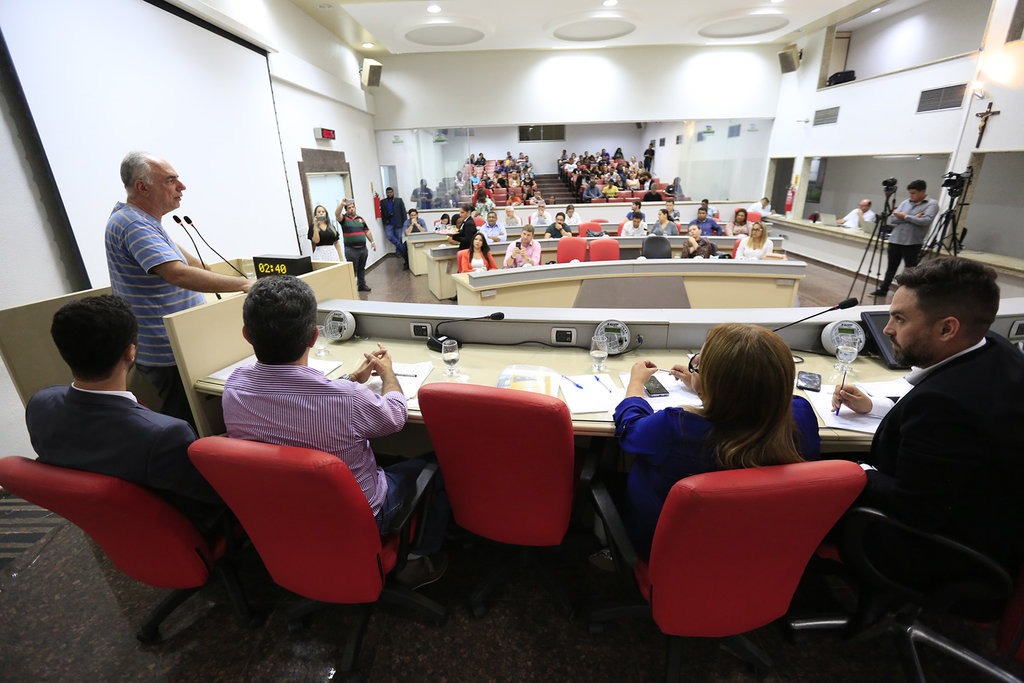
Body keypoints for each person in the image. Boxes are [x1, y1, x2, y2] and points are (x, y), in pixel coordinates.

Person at [223, 275, 449, 588]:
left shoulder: (234, 386)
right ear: (314, 336)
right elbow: (395, 417)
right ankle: (416, 559)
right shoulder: (345, 399)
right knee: (439, 467)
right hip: (359, 516)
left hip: (279, 510)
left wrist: (348, 379)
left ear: (247, 336)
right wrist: (388, 378)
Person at [833, 257, 1024, 581]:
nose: (888, 329)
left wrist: (853, 470)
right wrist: (875, 405)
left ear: (947, 328)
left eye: (899, 319)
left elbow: (913, 508)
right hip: (995, 525)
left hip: (942, 551)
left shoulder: (945, 405)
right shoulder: (994, 347)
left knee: (807, 491)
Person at [616, 323, 820, 558]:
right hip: (764, 553)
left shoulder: (676, 426)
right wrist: (704, 387)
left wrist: (636, 384)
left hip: (673, 553)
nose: (695, 367)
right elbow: (759, 398)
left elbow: (629, 428)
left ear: (714, 382)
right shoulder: (801, 415)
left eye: (700, 366)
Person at [25, 295, 224, 532]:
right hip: (173, 531)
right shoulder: (164, 434)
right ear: (130, 352)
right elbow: (213, 496)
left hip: (101, 526)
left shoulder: (40, 404)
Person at [105, 151, 252, 423]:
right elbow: (178, 274)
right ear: (142, 187)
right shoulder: (134, 224)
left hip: (177, 345)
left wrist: (216, 273)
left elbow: (190, 264)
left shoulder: (145, 222)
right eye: (171, 180)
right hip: (167, 350)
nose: (181, 187)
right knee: (188, 421)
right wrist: (246, 285)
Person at [871, 180, 939, 297]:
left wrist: (905, 216)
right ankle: (883, 290)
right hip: (895, 240)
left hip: (912, 243)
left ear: (923, 191)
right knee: (891, 268)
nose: (911, 196)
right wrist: (913, 217)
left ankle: (907, 294)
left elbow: (925, 221)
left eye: (914, 193)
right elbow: (893, 219)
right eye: (910, 193)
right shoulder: (905, 202)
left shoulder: (931, 204)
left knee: (911, 271)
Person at [337, 201, 377, 292]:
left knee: (361, 268)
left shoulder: (360, 219)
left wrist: (372, 242)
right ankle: (350, 289)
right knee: (352, 270)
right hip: (351, 250)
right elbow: (337, 214)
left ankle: (362, 285)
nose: (351, 209)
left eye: (353, 207)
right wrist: (341, 205)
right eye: (349, 208)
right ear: (346, 210)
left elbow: (367, 231)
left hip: (363, 249)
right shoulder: (344, 219)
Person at [379, 187, 408, 269]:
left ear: (393, 192)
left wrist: (405, 222)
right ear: (386, 193)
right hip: (389, 223)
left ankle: (398, 252)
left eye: (391, 192)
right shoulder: (383, 202)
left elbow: (403, 211)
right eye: (388, 193)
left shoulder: (399, 200)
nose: (389, 194)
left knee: (399, 237)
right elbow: (382, 213)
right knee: (389, 236)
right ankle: (401, 247)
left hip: (398, 222)